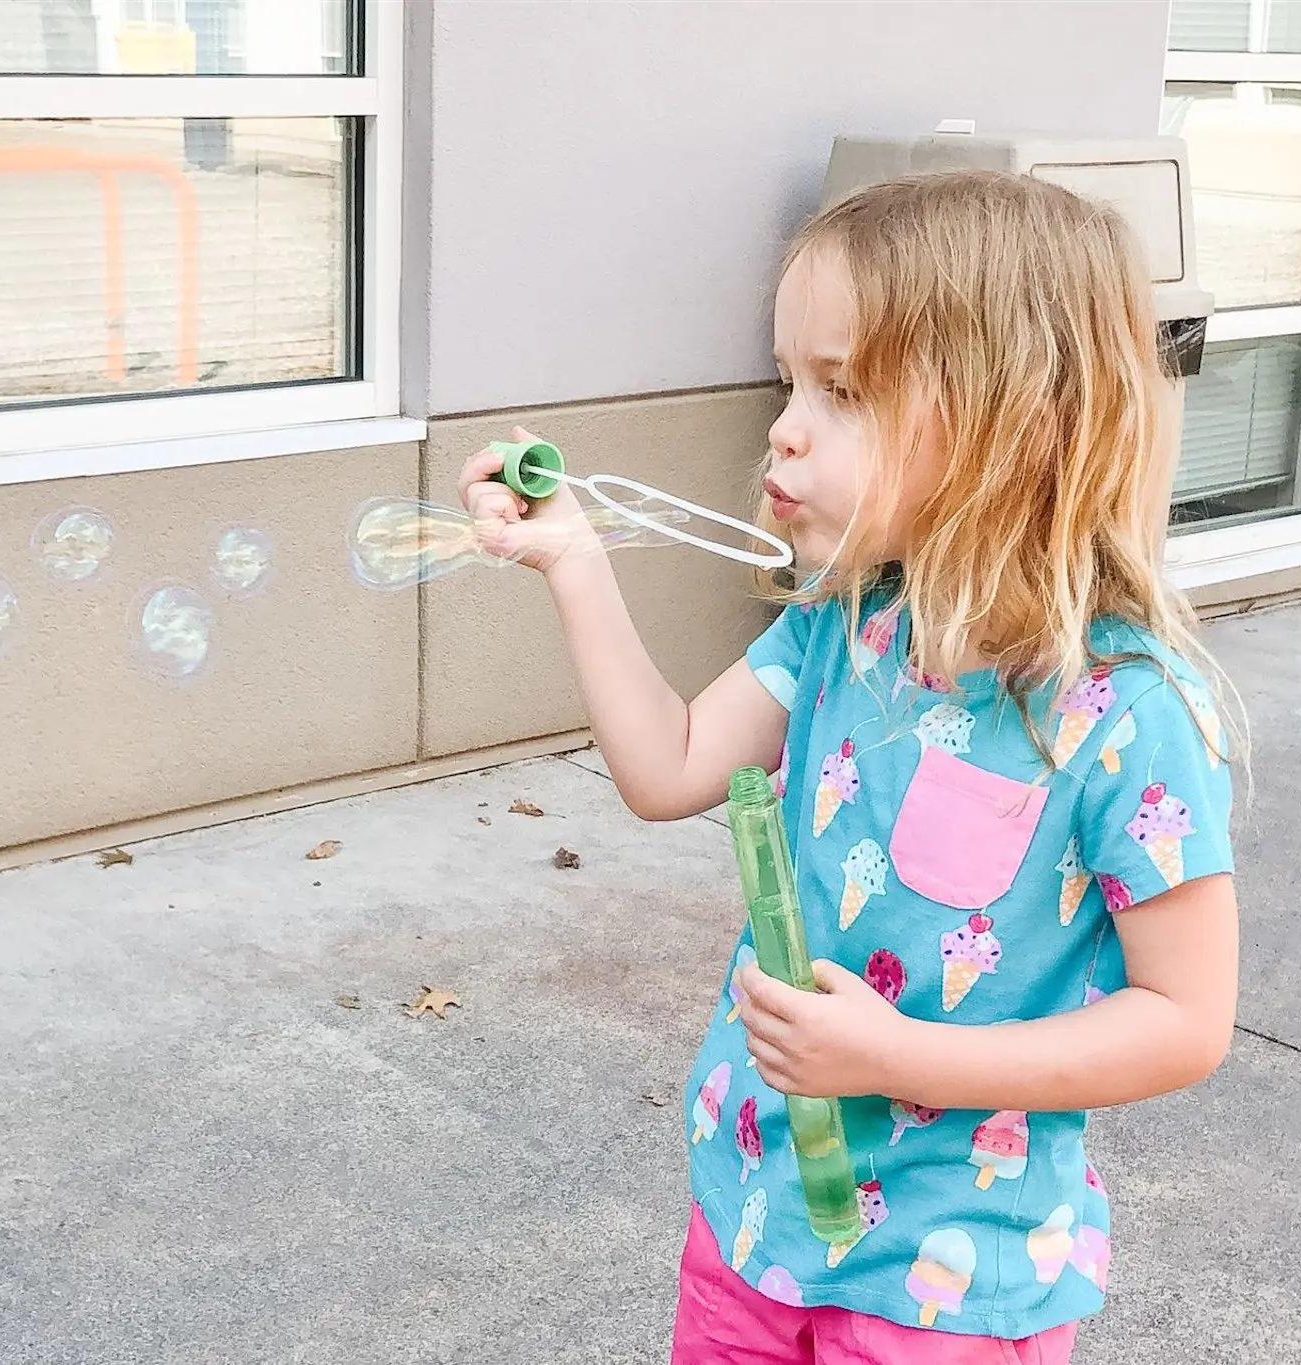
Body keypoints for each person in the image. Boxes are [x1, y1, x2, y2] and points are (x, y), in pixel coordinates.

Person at [458, 170, 1240, 1364]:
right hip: (755, 1216)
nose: (784, 426)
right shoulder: (842, 628)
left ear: (1012, 420)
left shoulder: (1122, 716)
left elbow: (1183, 1022)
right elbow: (665, 766)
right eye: (790, 382)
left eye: (844, 389)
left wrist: (895, 1058)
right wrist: (573, 560)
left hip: (950, 1278)